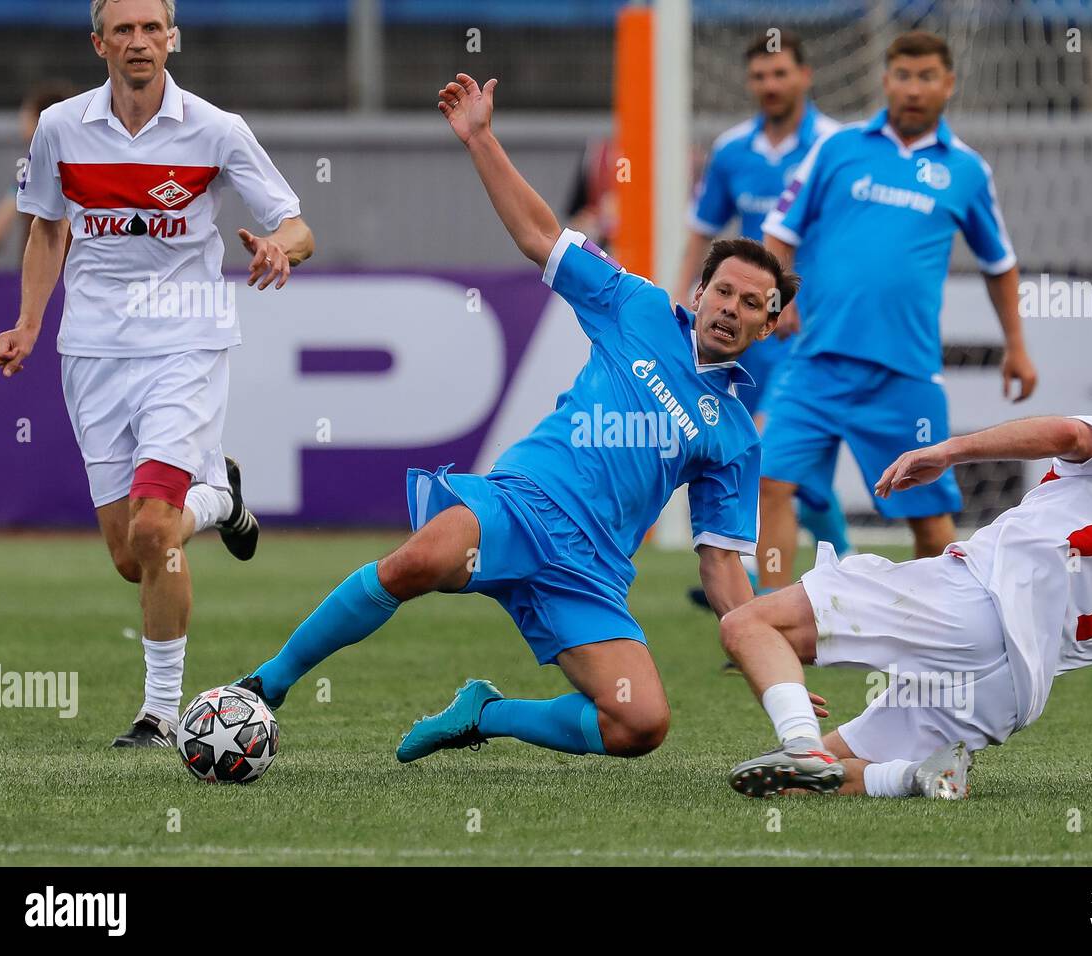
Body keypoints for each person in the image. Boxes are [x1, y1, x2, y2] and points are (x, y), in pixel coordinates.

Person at [236, 73, 803, 764]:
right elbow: (540, 234)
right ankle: (268, 683)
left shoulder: (737, 439)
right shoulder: (640, 306)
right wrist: (480, 139)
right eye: (724, 291)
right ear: (700, 290)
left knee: (640, 724)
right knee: (420, 559)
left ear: (771, 326)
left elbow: (719, 566)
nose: (731, 308)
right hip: (522, 504)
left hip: (589, 571)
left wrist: (762, 659)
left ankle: (487, 714)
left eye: (752, 304)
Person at [0, 0, 313, 747]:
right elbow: (46, 226)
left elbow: (299, 226)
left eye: (152, 28)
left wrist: (276, 247)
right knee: (131, 556)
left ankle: (161, 714)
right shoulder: (61, 130)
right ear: (98, 41)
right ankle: (221, 498)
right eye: (124, 29)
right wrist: (30, 323)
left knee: (155, 527)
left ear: (173, 38)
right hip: (95, 352)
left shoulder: (214, 128)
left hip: (187, 345)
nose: (139, 41)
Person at [720, 391, 1092, 800]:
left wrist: (948, 451)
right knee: (796, 777)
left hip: (972, 603)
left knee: (747, 626)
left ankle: (801, 740)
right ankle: (910, 778)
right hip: (1012, 692)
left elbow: (1068, 432)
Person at [757, 30, 1038, 593]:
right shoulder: (837, 149)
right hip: (816, 363)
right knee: (768, 481)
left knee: (930, 521)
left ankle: (938, 632)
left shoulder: (966, 171)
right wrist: (777, 296)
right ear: (885, 80)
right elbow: (777, 232)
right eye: (903, 76)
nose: (913, 89)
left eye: (927, 76)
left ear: (948, 84)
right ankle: (773, 623)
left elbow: (999, 261)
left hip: (904, 375)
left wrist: (1016, 345)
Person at [679, 31, 851, 612]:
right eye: (760, 76)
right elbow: (702, 231)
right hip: (744, 331)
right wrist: (686, 300)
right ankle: (829, 577)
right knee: (770, 462)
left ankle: (773, 593)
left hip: (810, 332)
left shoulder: (836, 146)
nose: (770, 85)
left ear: (806, 77)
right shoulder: (731, 151)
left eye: (781, 74)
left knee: (779, 463)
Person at [0, 82, 75, 274]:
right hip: (85, 276)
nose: (22, 121)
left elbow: (0, 222)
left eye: (26, 115)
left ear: (41, 120)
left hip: (44, 277)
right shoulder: (86, 162)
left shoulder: (36, 166)